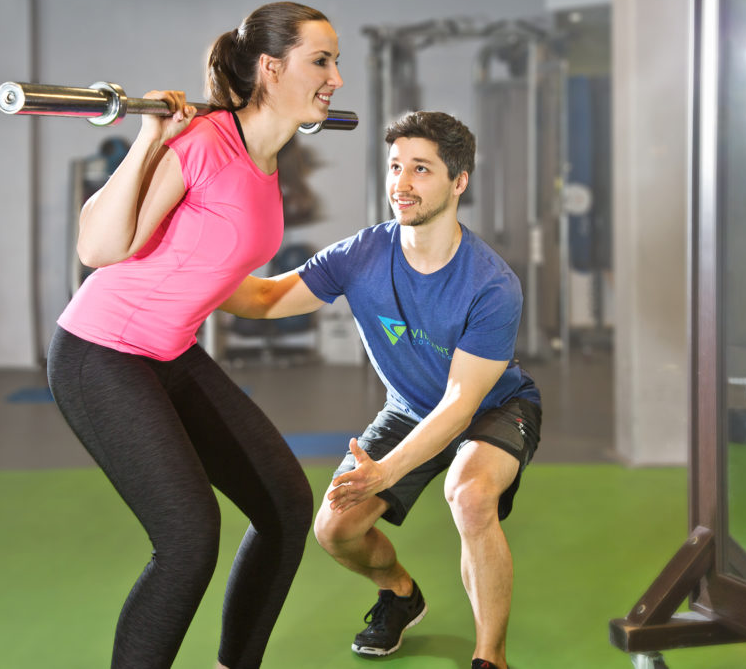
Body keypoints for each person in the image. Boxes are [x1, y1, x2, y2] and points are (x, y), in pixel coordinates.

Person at [45, 1, 343, 669]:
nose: (335, 78)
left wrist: (351, 272)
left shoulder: (268, 167)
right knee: (187, 539)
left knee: (285, 505)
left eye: (335, 62)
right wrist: (151, 137)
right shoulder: (206, 142)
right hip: (100, 354)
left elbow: (235, 288)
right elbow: (99, 246)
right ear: (271, 68)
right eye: (320, 61)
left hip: (169, 354)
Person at [221, 111, 542, 669]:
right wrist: (183, 263)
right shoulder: (362, 255)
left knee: (468, 495)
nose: (402, 184)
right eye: (396, 167)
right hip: (411, 408)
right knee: (335, 529)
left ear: (458, 181)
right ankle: (399, 592)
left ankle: (491, 657)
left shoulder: (492, 285)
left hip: (494, 408)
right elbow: (264, 299)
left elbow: (460, 405)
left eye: (421, 169)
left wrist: (386, 470)